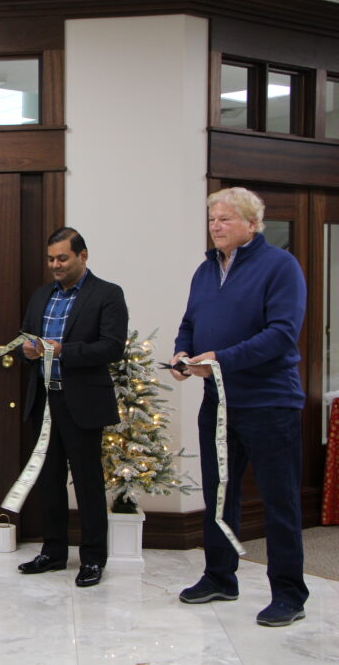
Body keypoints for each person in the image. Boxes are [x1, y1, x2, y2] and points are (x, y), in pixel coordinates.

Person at [170, 187, 309, 627]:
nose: (216, 226)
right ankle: (219, 577)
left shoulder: (281, 267)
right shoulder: (204, 270)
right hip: (219, 403)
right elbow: (190, 324)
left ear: (252, 224)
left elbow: (281, 334)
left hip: (270, 403)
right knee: (218, 494)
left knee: (279, 500)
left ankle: (289, 594)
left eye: (225, 219)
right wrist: (182, 354)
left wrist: (221, 360)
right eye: (212, 219)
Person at [18, 227, 127, 587]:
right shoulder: (41, 296)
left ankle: (93, 558)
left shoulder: (108, 294)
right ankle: (53, 552)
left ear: (83, 255)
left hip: (81, 401)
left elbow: (112, 347)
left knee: (87, 482)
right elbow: (26, 337)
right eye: (51, 259)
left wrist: (63, 350)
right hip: (45, 399)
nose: (55, 265)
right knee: (49, 481)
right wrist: (29, 350)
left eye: (62, 258)